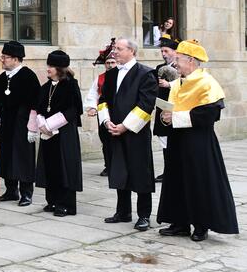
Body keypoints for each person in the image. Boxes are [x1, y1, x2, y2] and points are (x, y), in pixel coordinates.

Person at [157, 40, 239, 242]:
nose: (175, 64)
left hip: (198, 141)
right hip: (177, 140)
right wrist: (165, 116)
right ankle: (180, 222)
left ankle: (201, 225)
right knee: (176, 179)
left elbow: (209, 114)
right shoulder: (177, 82)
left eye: (178, 59)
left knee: (199, 181)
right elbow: (170, 107)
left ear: (191, 60)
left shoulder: (207, 83)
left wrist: (175, 117)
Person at [97, 37, 157, 231]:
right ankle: (123, 212)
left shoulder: (146, 74)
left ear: (132, 51)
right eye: (115, 48)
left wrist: (125, 126)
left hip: (135, 132)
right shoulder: (112, 74)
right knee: (118, 171)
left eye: (119, 49)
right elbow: (103, 100)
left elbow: (146, 105)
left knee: (140, 173)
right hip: (113, 130)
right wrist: (107, 122)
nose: (115, 52)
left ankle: (144, 215)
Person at [0, 40, 40, 206]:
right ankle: (11, 190)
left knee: (23, 158)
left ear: (16, 59)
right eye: (2, 56)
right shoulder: (1, 79)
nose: (2, 60)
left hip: (22, 125)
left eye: (5, 57)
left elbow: (35, 104)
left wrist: (32, 128)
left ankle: (26, 193)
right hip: (5, 125)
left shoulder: (29, 77)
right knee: (6, 156)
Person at [34, 50, 83, 217]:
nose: (48, 69)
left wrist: (51, 124)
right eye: (48, 65)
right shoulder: (46, 87)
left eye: (51, 66)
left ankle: (65, 204)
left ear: (60, 68)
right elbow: (39, 108)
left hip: (64, 134)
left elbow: (74, 109)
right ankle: (52, 201)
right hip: (47, 134)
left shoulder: (70, 85)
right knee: (50, 166)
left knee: (64, 168)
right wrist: (41, 123)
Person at [84, 38, 117, 176]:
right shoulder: (100, 78)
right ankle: (108, 165)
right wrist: (92, 107)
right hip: (103, 113)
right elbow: (93, 94)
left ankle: (117, 165)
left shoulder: (122, 76)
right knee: (105, 140)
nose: (110, 65)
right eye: (107, 63)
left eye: (112, 62)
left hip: (118, 113)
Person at [152, 36, 179, 183]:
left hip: (178, 110)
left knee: (176, 141)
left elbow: (186, 86)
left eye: (166, 51)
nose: (164, 54)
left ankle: (177, 172)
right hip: (163, 108)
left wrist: (169, 85)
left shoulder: (182, 68)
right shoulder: (159, 68)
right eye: (162, 51)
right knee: (164, 141)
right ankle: (168, 171)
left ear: (175, 52)